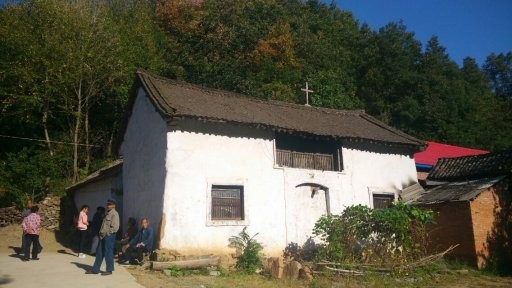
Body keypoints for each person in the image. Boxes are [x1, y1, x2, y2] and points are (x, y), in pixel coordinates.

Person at [87, 199, 119, 275]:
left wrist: (108, 233)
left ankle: (109, 270)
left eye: (110, 204)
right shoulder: (107, 213)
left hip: (109, 236)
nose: (108, 206)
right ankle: (95, 270)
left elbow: (115, 227)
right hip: (103, 236)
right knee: (99, 252)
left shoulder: (115, 213)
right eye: (107, 204)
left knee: (108, 252)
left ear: (114, 205)